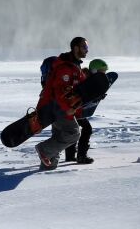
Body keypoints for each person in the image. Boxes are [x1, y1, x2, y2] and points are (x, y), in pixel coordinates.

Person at [34, 37, 89, 170]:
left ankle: (49, 165)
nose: (87, 50)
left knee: (59, 136)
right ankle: (44, 150)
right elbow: (60, 91)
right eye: (84, 47)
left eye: (87, 47)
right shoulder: (65, 67)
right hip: (59, 108)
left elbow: (79, 87)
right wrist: (68, 109)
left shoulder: (74, 65)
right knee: (73, 133)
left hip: (59, 107)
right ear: (75, 48)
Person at [64, 58, 109, 164]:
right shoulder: (86, 79)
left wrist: (98, 97)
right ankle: (81, 156)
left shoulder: (88, 78)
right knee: (86, 129)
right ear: (94, 71)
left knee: (74, 130)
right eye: (102, 72)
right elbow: (84, 94)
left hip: (74, 109)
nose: (104, 75)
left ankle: (70, 156)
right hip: (73, 109)